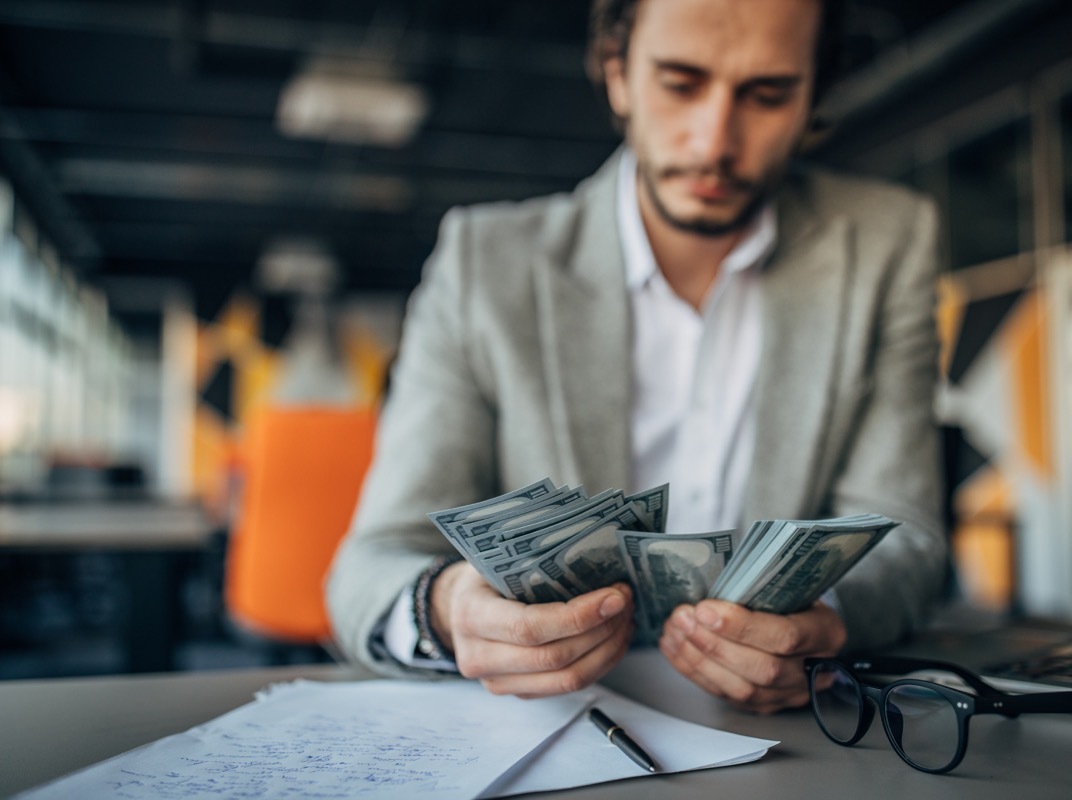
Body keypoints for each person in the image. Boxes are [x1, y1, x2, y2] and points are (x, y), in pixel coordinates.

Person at [326, 0, 945, 715]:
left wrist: (827, 622)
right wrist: (448, 611)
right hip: (552, 728)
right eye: (680, 84)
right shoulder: (483, 265)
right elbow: (371, 563)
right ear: (617, 73)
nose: (714, 141)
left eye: (767, 95)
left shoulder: (887, 244)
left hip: (797, 735)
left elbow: (908, 538)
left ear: (814, 94)